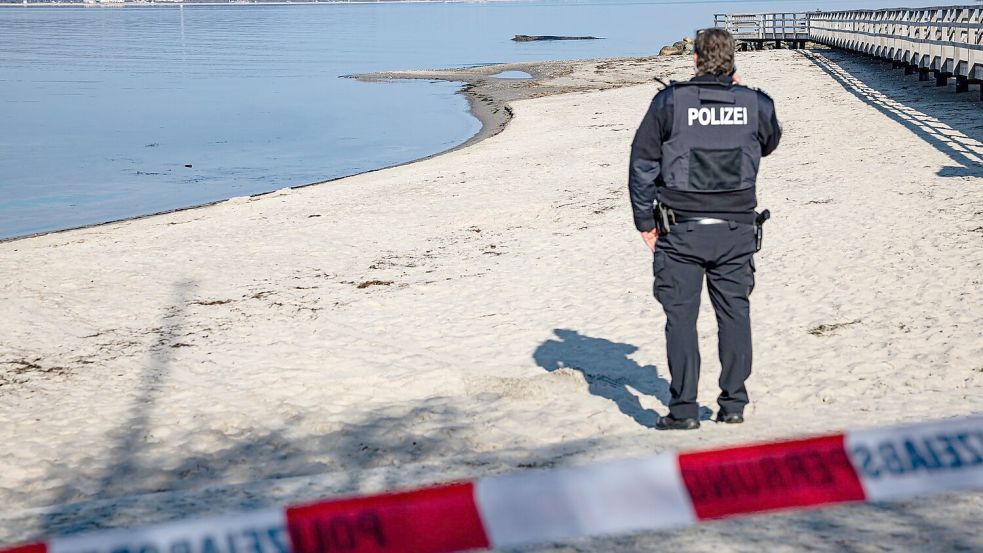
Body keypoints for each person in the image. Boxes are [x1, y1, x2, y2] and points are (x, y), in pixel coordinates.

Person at [628, 28, 782, 430]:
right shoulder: (756, 103)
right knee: (734, 314)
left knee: (682, 319)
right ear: (732, 60)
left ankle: (684, 411)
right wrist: (739, 100)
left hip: (682, 231)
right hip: (734, 231)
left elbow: (642, 163)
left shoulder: (669, 102)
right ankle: (733, 404)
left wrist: (644, 222)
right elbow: (769, 142)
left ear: (695, 59)